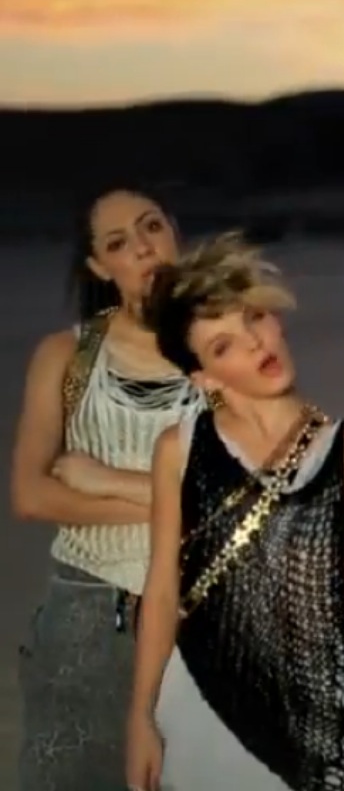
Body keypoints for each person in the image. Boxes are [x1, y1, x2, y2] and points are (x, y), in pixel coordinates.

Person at [123, 234, 344, 791]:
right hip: (202, 701)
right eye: (223, 345)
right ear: (204, 377)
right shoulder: (180, 449)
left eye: (254, 317)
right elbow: (161, 589)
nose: (255, 343)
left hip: (325, 709)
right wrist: (140, 715)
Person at [12, 185, 206, 790]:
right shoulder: (68, 355)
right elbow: (31, 495)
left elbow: (253, 489)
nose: (143, 248)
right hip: (90, 616)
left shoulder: (226, 347)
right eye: (119, 243)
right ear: (99, 266)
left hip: (206, 614)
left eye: (152, 227)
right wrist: (176, 500)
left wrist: (105, 482)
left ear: (174, 231)